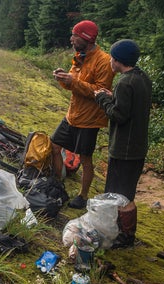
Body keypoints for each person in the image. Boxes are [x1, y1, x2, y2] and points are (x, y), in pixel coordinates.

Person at [94, 39, 152, 248]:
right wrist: (113, 97)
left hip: (124, 149)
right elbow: (131, 105)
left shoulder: (124, 82)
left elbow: (118, 115)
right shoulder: (141, 77)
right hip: (137, 146)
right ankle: (121, 232)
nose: (110, 60)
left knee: (121, 194)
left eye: (112, 57)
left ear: (118, 60)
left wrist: (102, 99)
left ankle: (125, 237)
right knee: (124, 191)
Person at [51, 20, 114, 209]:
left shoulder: (104, 61)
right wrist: (63, 78)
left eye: (75, 35)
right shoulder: (80, 56)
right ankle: (57, 184)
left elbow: (101, 91)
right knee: (54, 146)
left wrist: (73, 81)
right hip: (73, 115)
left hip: (90, 120)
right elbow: (73, 84)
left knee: (85, 159)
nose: (71, 39)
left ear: (86, 38)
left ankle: (83, 196)